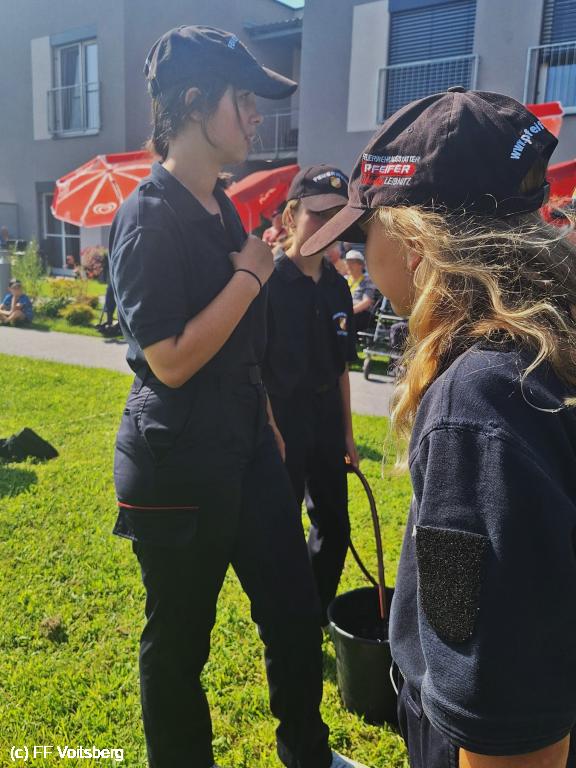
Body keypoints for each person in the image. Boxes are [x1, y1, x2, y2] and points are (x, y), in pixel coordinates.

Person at [109, 25, 367, 768]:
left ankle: (307, 753)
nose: (257, 116)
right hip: (176, 461)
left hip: (250, 444)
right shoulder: (147, 217)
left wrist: (267, 419)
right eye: (243, 100)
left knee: (292, 609)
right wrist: (252, 275)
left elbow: (241, 348)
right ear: (195, 103)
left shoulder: (221, 207)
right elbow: (170, 360)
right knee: (179, 644)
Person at [301, 87, 576, 768]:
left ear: (412, 236)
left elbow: (503, 723)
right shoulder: (546, 348)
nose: (358, 254)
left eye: (365, 229)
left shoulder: (477, 406)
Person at [263, 164, 358, 623]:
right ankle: (282, 615)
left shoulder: (340, 288)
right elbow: (255, 367)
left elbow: (342, 367)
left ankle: (314, 613)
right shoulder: (267, 283)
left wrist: (348, 434)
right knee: (279, 526)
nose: (327, 226)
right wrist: (270, 428)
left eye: (337, 216)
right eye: (318, 214)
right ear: (290, 216)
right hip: (282, 417)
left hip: (326, 417)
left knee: (335, 524)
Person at [345, 250, 377, 333]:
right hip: (345, 312)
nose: (348, 265)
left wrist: (349, 312)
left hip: (362, 314)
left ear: (361, 265)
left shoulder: (367, 280)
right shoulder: (344, 279)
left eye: (352, 263)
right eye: (347, 262)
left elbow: (367, 302)